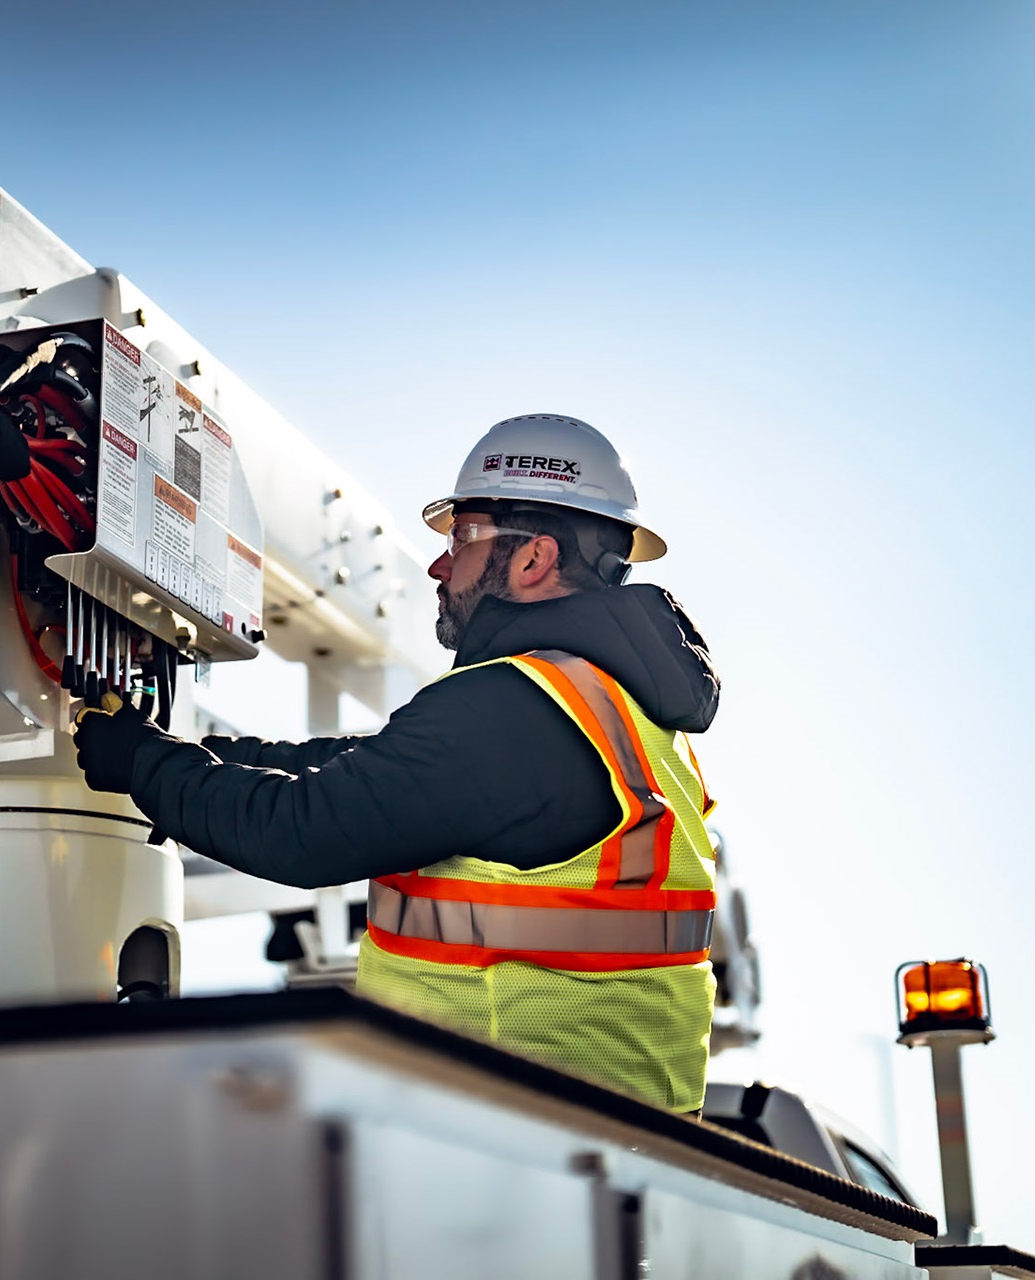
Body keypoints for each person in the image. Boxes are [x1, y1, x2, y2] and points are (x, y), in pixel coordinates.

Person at [74, 414, 721, 1111]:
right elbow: (369, 767)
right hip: (600, 1143)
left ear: (533, 559)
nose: (439, 564)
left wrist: (142, 764)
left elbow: (302, 832)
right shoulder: (611, 712)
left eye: (463, 538)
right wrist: (202, 755)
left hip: (504, 1139)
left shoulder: (509, 706)